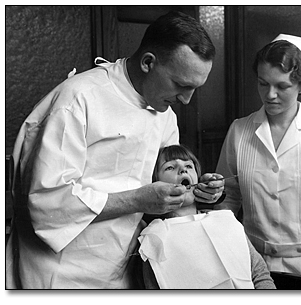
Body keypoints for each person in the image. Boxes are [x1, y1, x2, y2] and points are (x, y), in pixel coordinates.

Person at [6, 10, 225, 289]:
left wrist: (197, 191)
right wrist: (136, 200)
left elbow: (163, 188)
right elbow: (48, 203)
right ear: (148, 63)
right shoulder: (77, 100)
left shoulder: (165, 112)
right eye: (181, 85)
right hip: (59, 272)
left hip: (123, 266)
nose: (186, 99)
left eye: (195, 88)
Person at [215, 34, 301, 289]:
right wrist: (229, 250)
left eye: (282, 86)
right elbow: (228, 198)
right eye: (263, 83)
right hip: (248, 262)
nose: (270, 94)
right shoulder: (239, 131)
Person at [139, 144, 276, 289]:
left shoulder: (225, 222)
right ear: (154, 184)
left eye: (189, 166)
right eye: (170, 167)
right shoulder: (154, 240)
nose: (183, 169)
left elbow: (260, 276)